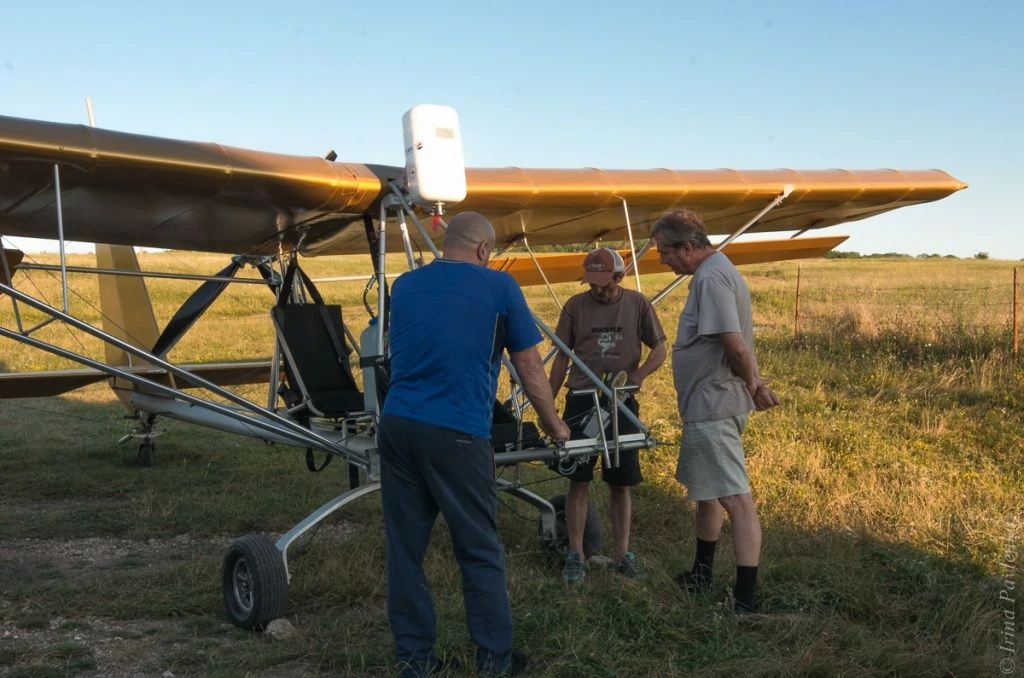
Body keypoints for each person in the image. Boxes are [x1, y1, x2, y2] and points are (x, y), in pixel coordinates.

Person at [380, 211, 571, 677]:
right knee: (479, 549)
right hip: (459, 432)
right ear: (485, 250)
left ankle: (415, 661)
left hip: (398, 424)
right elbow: (529, 369)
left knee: (404, 549)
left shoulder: (404, 285)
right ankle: (494, 660)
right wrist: (555, 427)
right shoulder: (500, 287)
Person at [650, 209, 779, 614]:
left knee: (735, 500)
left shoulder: (710, 277)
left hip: (713, 405)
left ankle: (745, 600)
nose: (662, 261)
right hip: (704, 405)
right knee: (706, 493)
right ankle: (701, 572)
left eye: (664, 253)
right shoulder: (715, 272)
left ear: (687, 248)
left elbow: (734, 343)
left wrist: (754, 384)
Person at [548, 247, 667, 583]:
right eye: (592, 283)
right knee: (578, 479)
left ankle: (623, 554)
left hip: (620, 401)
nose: (597, 289)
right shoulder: (574, 307)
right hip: (583, 401)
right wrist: (548, 404)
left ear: (619, 276)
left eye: (604, 283)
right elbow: (560, 359)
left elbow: (660, 348)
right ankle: (576, 553)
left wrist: (638, 376)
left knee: (621, 481)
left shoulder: (638, 304)